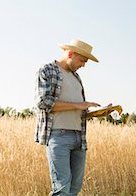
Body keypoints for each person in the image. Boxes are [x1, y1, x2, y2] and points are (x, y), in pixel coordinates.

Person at [34, 39, 101, 196]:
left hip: (80, 137)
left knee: (74, 189)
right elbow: (43, 102)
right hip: (59, 136)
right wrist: (79, 105)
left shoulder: (76, 77)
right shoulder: (47, 70)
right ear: (70, 54)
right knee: (62, 188)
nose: (84, 65)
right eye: (82, 60)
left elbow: (75, 108)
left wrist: (99, 112)